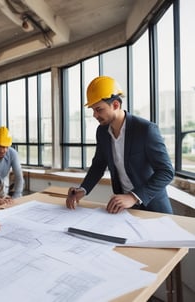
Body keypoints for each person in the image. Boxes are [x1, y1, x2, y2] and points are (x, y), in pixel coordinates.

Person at [66, 76, 174, 214]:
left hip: (153, 208)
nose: (95, 115)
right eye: (93, 110)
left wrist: (134, 196)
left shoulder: (145, 130)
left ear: (116, 105)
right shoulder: (102, 131)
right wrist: (83, 189)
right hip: (123, 209)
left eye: (99, 109)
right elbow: (99, 164)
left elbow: (166, 172)